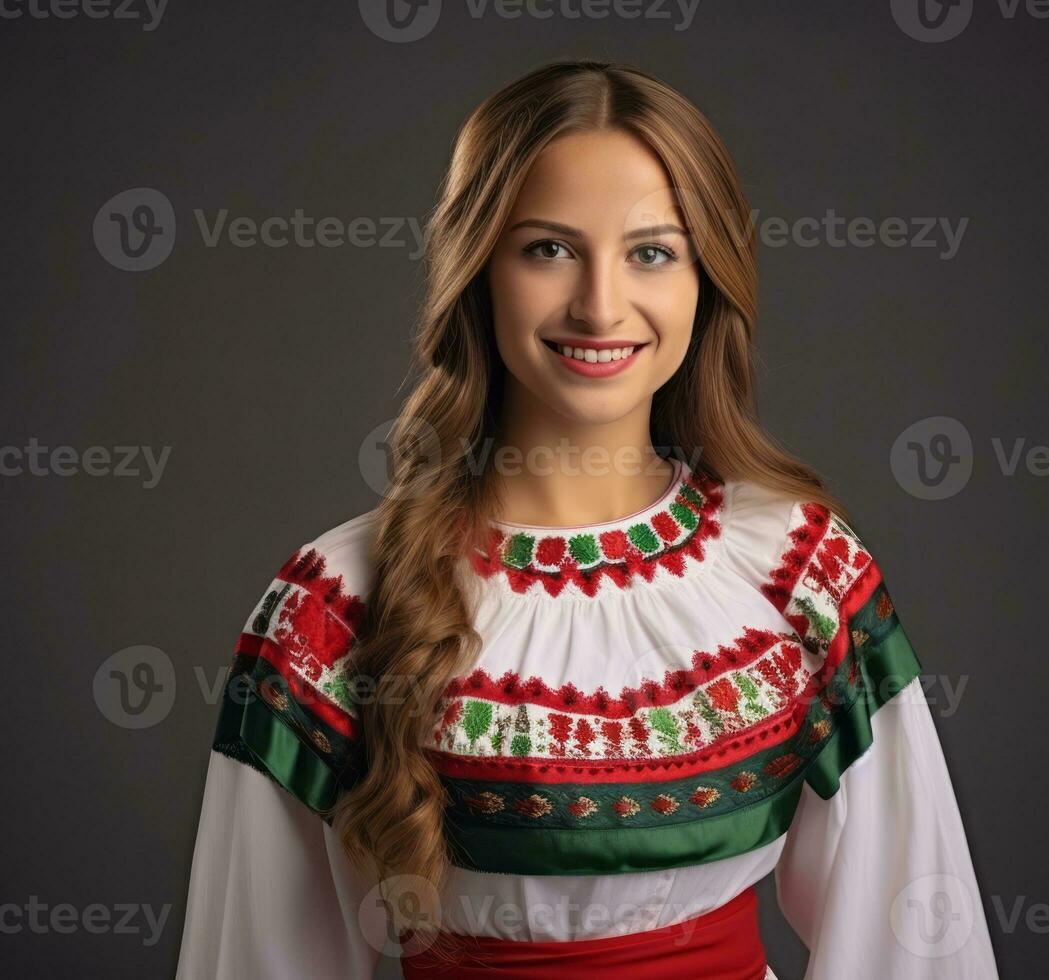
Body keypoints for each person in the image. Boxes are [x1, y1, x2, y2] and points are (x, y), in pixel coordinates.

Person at [174, 59, 1000, 979]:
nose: (601, 304)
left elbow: (910, 938)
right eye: (548, 249)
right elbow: (254, 958)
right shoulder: (332, 609)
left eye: (651, 251)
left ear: (706, 279)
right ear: (475, 268)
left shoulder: (798, 573)